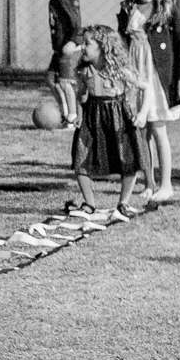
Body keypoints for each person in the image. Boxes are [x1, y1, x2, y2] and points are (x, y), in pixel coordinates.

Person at [117, 0, 180, 204]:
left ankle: (166, 183)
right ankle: (149, 181)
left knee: (158, 130)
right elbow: (121, 44)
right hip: (136, 78)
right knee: (140, 132)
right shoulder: (127, 9)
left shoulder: (168, 10)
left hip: (158, 77)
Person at [65, 25, 150, 223]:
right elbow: (82, 96)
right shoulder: (84, 71)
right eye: (82, 43)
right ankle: (89, 203)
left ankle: (124, 203)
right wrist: (78, 112)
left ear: (104, 47)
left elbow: (146, 87)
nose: (82, 48)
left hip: (118, 117)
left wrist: (143, 113)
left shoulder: (120, 70)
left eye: (87, 44)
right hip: (92, 118)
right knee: (81, 159)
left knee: (128, 159)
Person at [28, 0, 81, 129]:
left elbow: (77, 25)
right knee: (51, 79)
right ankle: (64, 114)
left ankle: (72, 118)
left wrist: (72, 42)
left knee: (66, 83)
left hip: (68, 49)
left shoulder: (63, 1)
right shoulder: (53, 0)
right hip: (58, 50)